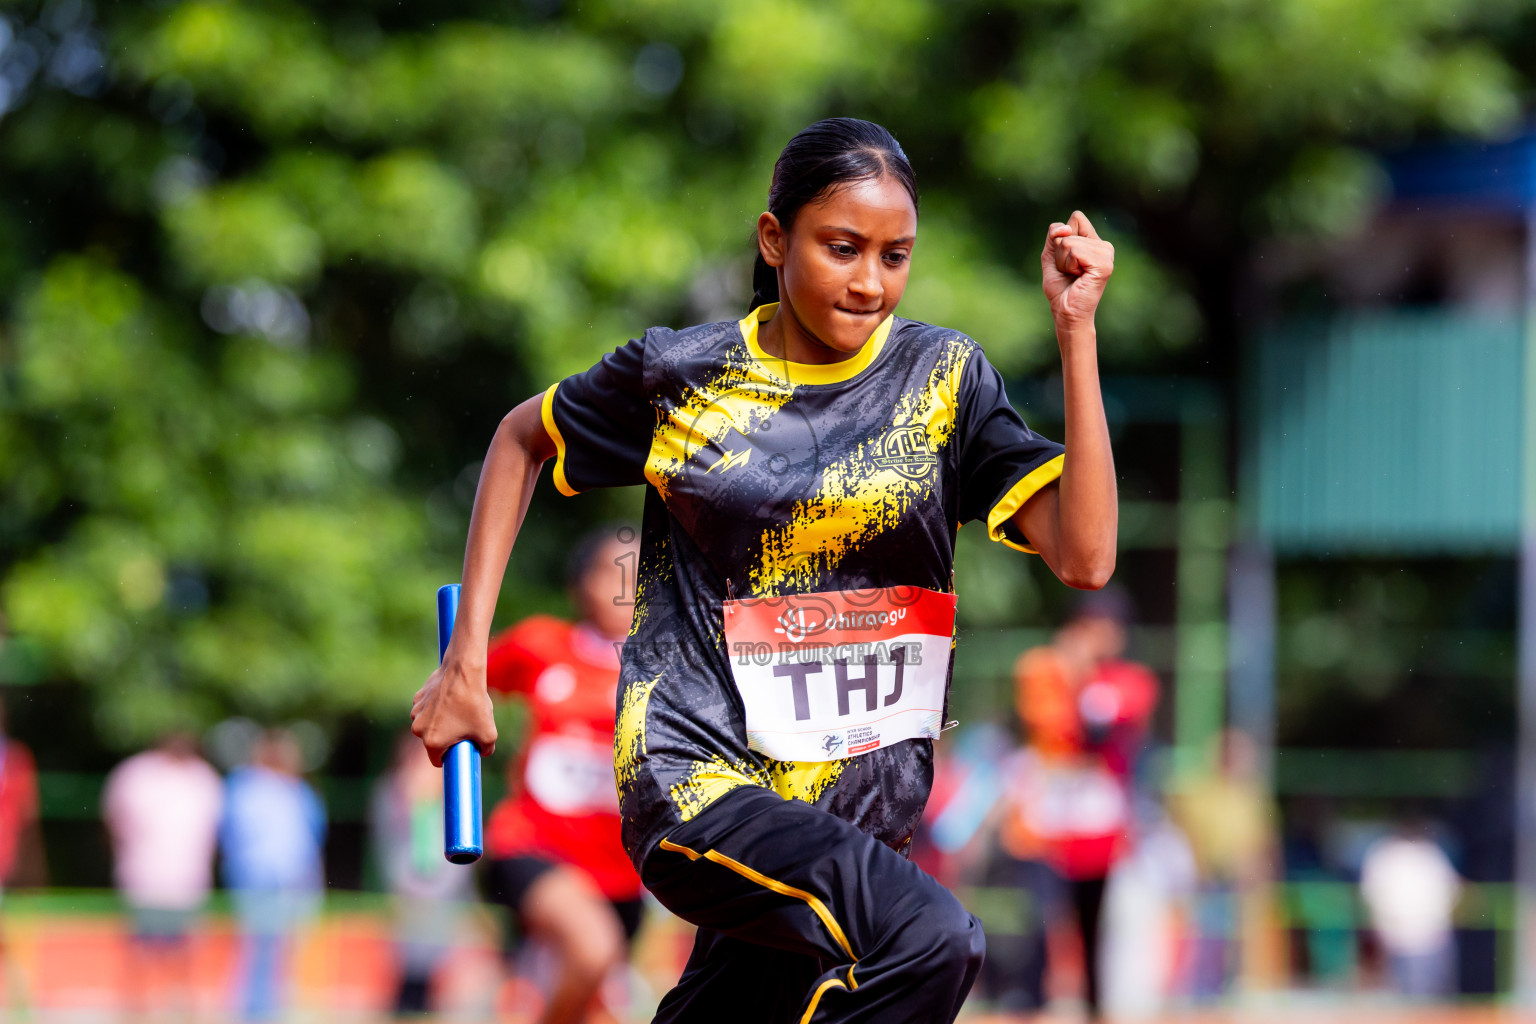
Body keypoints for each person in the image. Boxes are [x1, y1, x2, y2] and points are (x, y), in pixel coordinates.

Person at [412, 116, 1118, 1023]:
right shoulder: (686, 376)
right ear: (775, 239)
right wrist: (465, 665)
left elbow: (1086, 556)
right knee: (930, 941)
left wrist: (1075, 331)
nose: (870, 282)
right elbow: (521, 438)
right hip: (696, 780)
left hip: (855, 815)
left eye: (895, 256)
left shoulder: (944, 379)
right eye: (842, 248)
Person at [480, 526, 646, 1024]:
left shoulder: (672, 671)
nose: (627, 587)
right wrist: (432, 764)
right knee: (592, 950)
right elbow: (456, 688)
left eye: (640, 574)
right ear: (582, 583)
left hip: (622, 873)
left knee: (594, 1004)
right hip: (533, 846)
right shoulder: (540, 644)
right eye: (613, 572)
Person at [1002, 588, 1158, 1018]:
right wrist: (1069, 672)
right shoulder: (1041, 667)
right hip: (1047, 810)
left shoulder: (1127, 679)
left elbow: (1106, 729)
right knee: (1043, 910)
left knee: (1093, 917)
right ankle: (1032, 997)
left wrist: (1081, 678)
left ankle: (1094, 1004)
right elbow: (1047, 722)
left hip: (1096, 816)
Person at [102, 731, 223, 1015]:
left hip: (182, 879)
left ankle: (176, 1010)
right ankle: (139, 1010)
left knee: (181, 952)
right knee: (144, 951)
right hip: (147, 877)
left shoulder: (200, 778)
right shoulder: (140, 774)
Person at [221, 728, 326, 1021]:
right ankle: (252, 1011)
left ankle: (273, 1008)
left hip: (290, 878)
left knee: (285, 948)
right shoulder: (248, 786)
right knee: (259, 947)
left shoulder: (295, 790)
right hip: (260, 878)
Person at [371, 731, 474, 1018]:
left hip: (442, 883)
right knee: (407, 949)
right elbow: (388, 838)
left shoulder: (451, 787)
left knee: (435, 949)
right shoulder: (393, 790)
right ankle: (407, 999)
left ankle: (423, 998)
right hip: (409, 882)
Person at [1359, 821, 1461, 1000]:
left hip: (1408, 935)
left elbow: (1370, 893)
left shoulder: (1385, 854)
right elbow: (1451, 890)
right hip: (1424, 935)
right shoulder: (1428, 854)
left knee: (1409, 992)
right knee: (1428, 993)